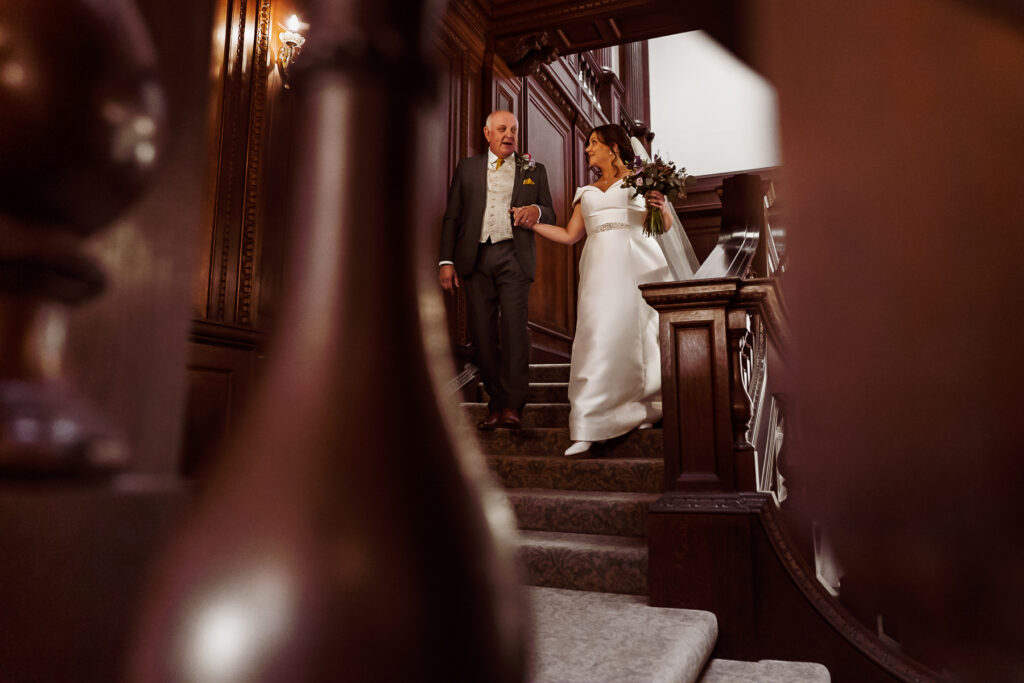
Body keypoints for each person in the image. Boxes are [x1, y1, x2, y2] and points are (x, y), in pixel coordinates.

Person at [519, 124, 696, 457]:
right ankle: (589, 423)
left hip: (635, 263)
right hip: (597, 268)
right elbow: (571, 235)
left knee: (636, 337)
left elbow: (664, 226)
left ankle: (641, 407)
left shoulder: (642, 180)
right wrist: (534, 225)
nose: (587, 150)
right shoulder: (585, 192)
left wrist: (660, 205)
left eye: (594, 144)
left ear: (614, 147)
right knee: (595, 335)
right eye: (587, 144)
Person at [438, 110, 556, 430]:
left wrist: (536, 210)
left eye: (514, 130)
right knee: (482, 334)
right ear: (486, 133)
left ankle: (513, 406)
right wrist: (446, 261)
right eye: (502, 129)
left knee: (515, 330)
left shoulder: (533, 169)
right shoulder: (468, 168)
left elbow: (551, 213)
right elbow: (453, 216)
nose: (509, 135)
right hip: (475, 259)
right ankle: (495, 402)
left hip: (514, 257)